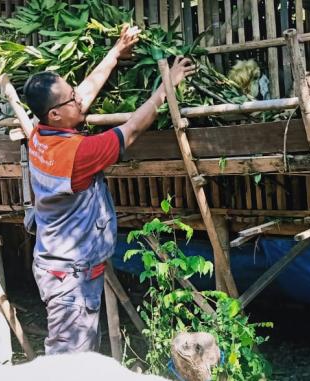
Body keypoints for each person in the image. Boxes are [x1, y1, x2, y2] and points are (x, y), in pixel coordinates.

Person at [21, 24, 196, 354]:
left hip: (62, 268)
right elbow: (130, 131)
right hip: (69, 279)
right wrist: (165, 88)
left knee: (82, 353)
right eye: (71, 98)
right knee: (68, 366)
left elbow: (83, 95)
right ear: (56, 113)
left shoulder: (40, 134)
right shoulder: (77, 155)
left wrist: (115, 53)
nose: (79, 99)